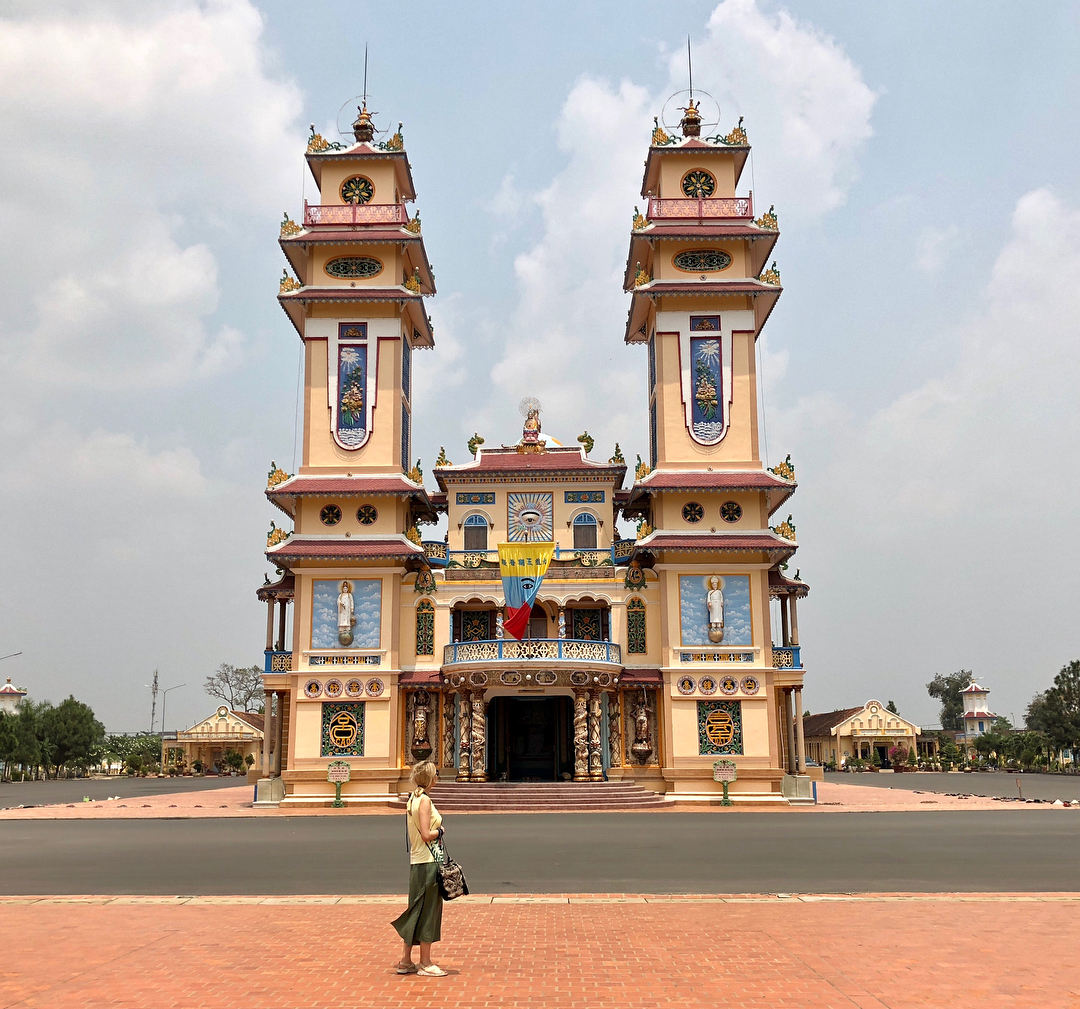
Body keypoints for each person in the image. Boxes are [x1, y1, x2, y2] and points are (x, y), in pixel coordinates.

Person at [391, 760, 447, 977]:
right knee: (429, 910)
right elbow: (426, 834)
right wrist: (440, 831)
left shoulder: (412, 798)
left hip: (418, 861)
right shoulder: (424, 800)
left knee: (416, 907)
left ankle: (406, 960)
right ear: (430, 779)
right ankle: (425, 962)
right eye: (435, 775)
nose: (437, 779)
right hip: (428, 861)